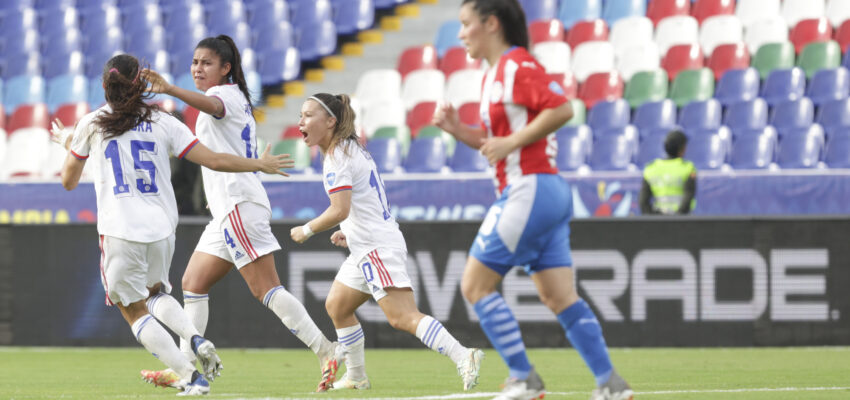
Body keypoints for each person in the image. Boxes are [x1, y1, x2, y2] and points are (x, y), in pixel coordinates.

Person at [53, 53, 294, 395]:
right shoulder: (164, 121)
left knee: (132, 309)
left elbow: (68, 181)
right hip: (162, 229)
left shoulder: (91, 123)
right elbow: (213, 159)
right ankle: (194, 336)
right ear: (142, 84)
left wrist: (70, 144)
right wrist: (258, 163)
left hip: (120, 228)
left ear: (105, 85)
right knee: (156, 294)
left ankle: (190, 374)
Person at [433, 1, 634, 399]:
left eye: (465, 24)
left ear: (490, 24)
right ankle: (610, 383)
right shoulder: (495, 73)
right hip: (545, 192)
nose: (460, 34)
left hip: (529, 189)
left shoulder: (515, 65)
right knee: (559, 296)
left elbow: (562, 108)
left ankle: (524, 378)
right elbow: (498, 145)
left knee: (475, 286)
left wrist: (511, 141)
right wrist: (459, 130)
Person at [140, 35, 341, 391]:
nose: (198, 69)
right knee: (193, 283)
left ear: (226, 68)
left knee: (265, 288)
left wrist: (170, 88)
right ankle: (188, 368)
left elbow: (212, 106)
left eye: (206, 63)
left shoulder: (225, 96)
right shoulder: (233, 98)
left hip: (237, 205)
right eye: (195, 62)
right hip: (228, 209)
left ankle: (326, 350)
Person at [289, 93, 485, 391]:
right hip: (367, 242)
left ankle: (464, 355)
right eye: (300, 115)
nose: (300, 121)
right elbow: (361, 202)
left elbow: (339, 209)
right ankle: (356, 376)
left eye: (307, 115)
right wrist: (350, 230)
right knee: (338, 305)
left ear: (330, 121)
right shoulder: (348, 148)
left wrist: (307, 229)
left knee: (402, 316)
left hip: (375, 246)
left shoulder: (337, 157)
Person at [639, 130, 696, 215]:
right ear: (682, 148)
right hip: (681, 222)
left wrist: (652, 219)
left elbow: (643, 202)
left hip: (658, 222)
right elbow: (688, 196)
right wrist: (676, 218)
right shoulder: (687, 168)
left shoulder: (650, 169)